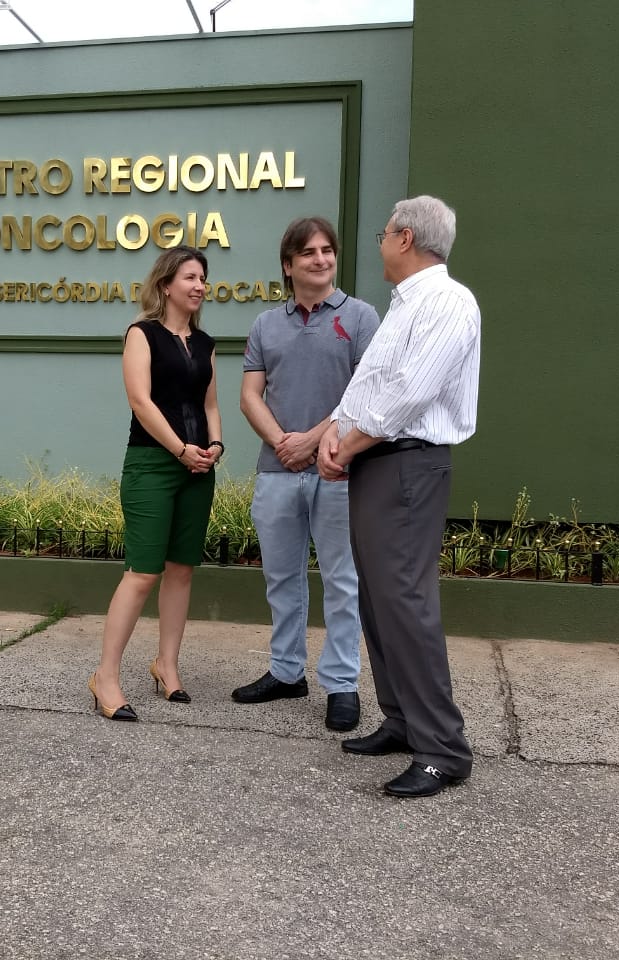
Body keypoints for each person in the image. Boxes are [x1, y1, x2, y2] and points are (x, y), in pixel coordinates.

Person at [317, 195, 480, 798]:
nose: (381, 242)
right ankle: (403, 720)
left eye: (384, 233)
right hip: (380, 460)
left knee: (405, 602)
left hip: (408, 463)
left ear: (405, 238)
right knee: (379, 599)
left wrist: (347, 444)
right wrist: (335, 432)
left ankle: (443, 749)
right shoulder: (407, 303)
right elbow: (369, 385)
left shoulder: (447, 301)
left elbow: (410, 392)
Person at [231, 216, 380, 731]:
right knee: (281, 578)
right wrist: (283, 442)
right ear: (288, 265)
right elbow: (250, 396)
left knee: (342, 580)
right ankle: (286, 671)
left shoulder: (361, 317)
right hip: (276, 471)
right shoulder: (265, 325)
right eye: (309, 252)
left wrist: (311, 441)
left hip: (338, 471)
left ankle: (341, 684)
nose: (321, 259)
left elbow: (365, 395)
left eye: (327, 250)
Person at [88, 245, 224, 721]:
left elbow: (210, 405)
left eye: (202, 278)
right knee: (144, 572)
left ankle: (167, 665)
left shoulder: (205, 343)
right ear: (166, 285)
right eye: (190, 277)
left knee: (181, 569)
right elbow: (140, 402)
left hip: (198, 468)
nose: (199, 285)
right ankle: (105, 676)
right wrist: (180, 449)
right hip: (152, 464)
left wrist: (215, 445)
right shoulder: (141, 335)